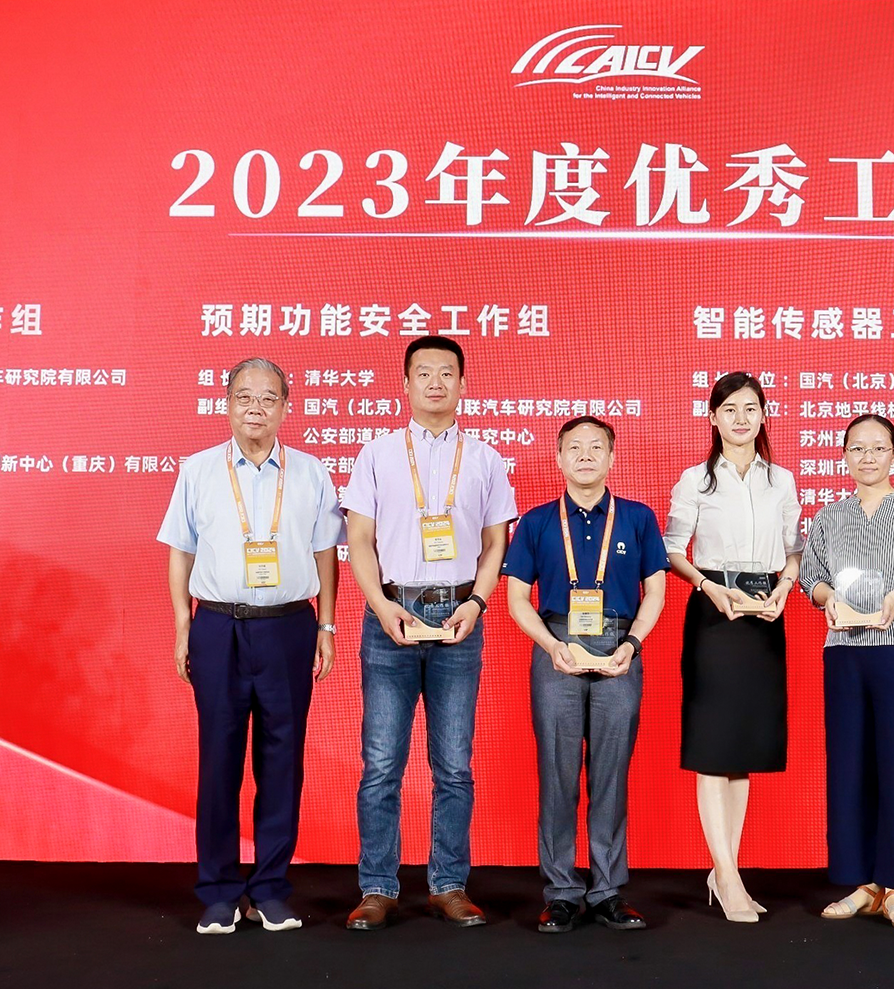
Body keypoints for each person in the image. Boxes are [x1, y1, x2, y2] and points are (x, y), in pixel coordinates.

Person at [158, 357, 343, 935]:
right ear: (227, 404)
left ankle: (269, 890)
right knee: (218, 760)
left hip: (289, 627)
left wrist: (326, 627)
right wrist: (183, 626)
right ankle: (218, 891)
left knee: (282, 761)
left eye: (267, 398)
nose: (255, 408)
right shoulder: (198, 470)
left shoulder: (310, 472)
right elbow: (181, 552)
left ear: (286, 407)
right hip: (217, 626)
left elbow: (325, 554)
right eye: (244, 397)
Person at [341, 336, 517, 930]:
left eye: (447, 373)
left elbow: (495, 543)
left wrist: (478, 603)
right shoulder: (377, 454)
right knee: (381, 763)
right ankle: (377, 888)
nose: (435, 383)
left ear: (463, 385)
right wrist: (379, 606)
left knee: (454, 766)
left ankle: (448, 885)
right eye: (424, 373)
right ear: (406, 384)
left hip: (458, 619)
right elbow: (358, 539)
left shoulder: (485, 458)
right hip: (390, 617)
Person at [501, 417, 668, 933]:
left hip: (620, 645)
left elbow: (656, 591)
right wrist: (551, 645)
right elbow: (515, 598)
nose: (586, 455)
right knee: (557, 772)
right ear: (559, 458)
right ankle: (561, 893)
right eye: (575, 447)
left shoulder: (638, 518)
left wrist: (633, 645)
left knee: (610, 774)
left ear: (612, 458)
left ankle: (608, 890)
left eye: (597, 447)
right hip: (557, 644)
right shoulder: (536, 522)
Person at [800, 415, 894, 929]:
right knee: (849, 767)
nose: (867, 457)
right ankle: (864, 884)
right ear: (843, 455)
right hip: (844, 649)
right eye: (857, 448)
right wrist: (828, 598)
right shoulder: (829, 517)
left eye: (878, 448)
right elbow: (811, 578)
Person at [663, 371, 803, 922]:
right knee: (713, 749)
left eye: (750, 408)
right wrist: (708, 586)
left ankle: (728, 870)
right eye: (729, 409)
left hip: (764, 616)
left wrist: (785, 590)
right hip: (715, 614)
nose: (741, 418)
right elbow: (674, 549)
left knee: (743, 750)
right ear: (713, 418)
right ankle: (726, 875)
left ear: (763, 415)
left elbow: (794, 549)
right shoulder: (695, 480)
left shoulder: (781, 481)